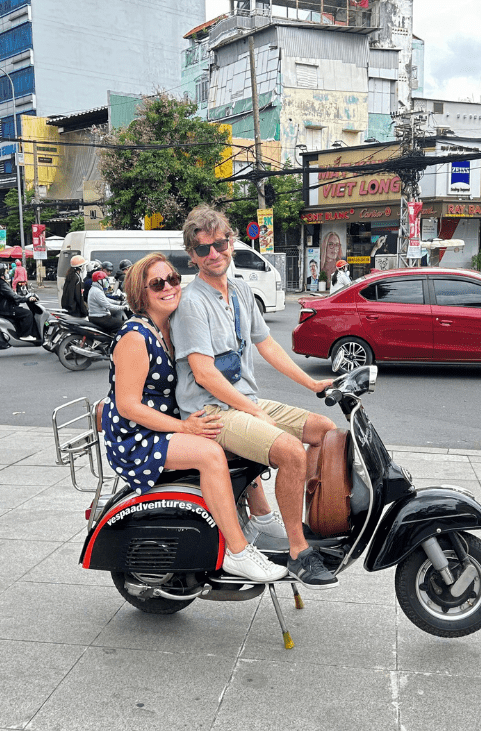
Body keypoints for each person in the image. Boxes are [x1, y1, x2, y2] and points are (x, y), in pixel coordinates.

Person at [172, 205, 338, 589]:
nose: (214, 254)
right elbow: (204, 373)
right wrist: (254, 412)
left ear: (231, 242)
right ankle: (299, 551)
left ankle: (300, 518)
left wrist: (313, 385)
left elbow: (268, 346)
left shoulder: (242, 290)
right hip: (214, 412)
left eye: (219, 243)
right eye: (203, 249)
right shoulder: (192, 303)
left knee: (325, 431)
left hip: (244, 401)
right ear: (193, 256)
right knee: (291, 452)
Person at [100, 253, 287, 582]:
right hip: (135, 437)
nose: (170, 287)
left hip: (161, 427)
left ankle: (260, 517)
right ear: (140, 294)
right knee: (211, 453)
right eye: (157, 283)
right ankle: (238, 552)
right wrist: (185, 426)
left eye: (173, 279)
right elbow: (128, 406)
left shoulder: (169, 327)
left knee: (233, 432)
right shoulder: (134, 337)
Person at [0, 262, 36, 339]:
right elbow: (14, 296)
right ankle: (25, 335)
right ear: (1, 272)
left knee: (20, 312)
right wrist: (26, 299)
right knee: (27, 313)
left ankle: (18, 331)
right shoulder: (1, 283)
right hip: (4, 308)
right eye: (5, 271)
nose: (7, 272)